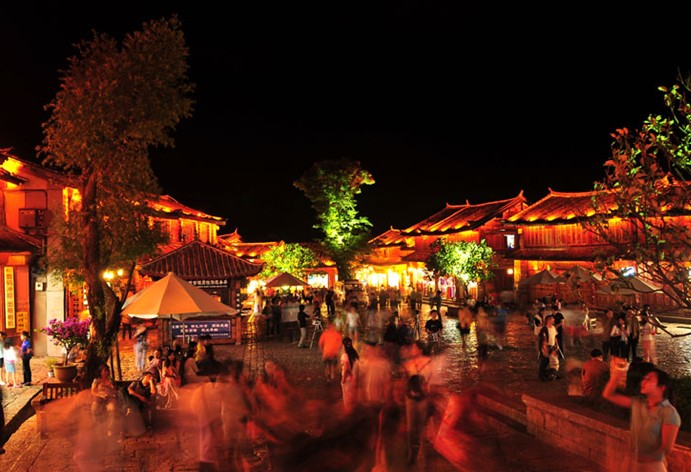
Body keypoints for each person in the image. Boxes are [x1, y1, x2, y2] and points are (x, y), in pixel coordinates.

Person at [603, 366, 681, 470]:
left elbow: (667, 448)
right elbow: (608, 395)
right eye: (644, 379)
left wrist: (646, 459)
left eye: (649, 379)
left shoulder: (669, 412)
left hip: (652, 466)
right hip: (630, 462)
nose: (643, 382)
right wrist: (615, 377)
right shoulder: (638, 403)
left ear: (661, 388)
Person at [91, 364, 119, 436]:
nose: (107, 372)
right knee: (94, 409)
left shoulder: (111, 380)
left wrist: (112, 386)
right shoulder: (97, 380)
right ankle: (98, 428)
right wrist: (100, 395)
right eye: (105, 371)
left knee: (113, 409)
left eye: (108, 370)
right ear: (101, 372)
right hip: (99, 397)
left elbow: (116, 391)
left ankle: (110, 429)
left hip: (110, 398)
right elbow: (93, 391)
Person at [318, 319, 343, 383]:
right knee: (333, 364)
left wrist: (321, 350)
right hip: (334, 353)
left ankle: (328, 376)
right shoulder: (337, 334)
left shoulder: (325, 334)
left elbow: (320, 343)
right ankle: (332, 374)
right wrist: (339, 350)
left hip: (326, 353)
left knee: (326, 365)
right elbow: (340, 344)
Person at [340, 337, 359, 413]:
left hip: (347, 379)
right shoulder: (354, 354)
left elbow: (346, 368)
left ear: (343, 346)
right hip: (354, 378)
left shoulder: (344, 355)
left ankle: (348, 413)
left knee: (347, 399)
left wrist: (343, 379)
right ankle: (354, 413)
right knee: (353, 397)